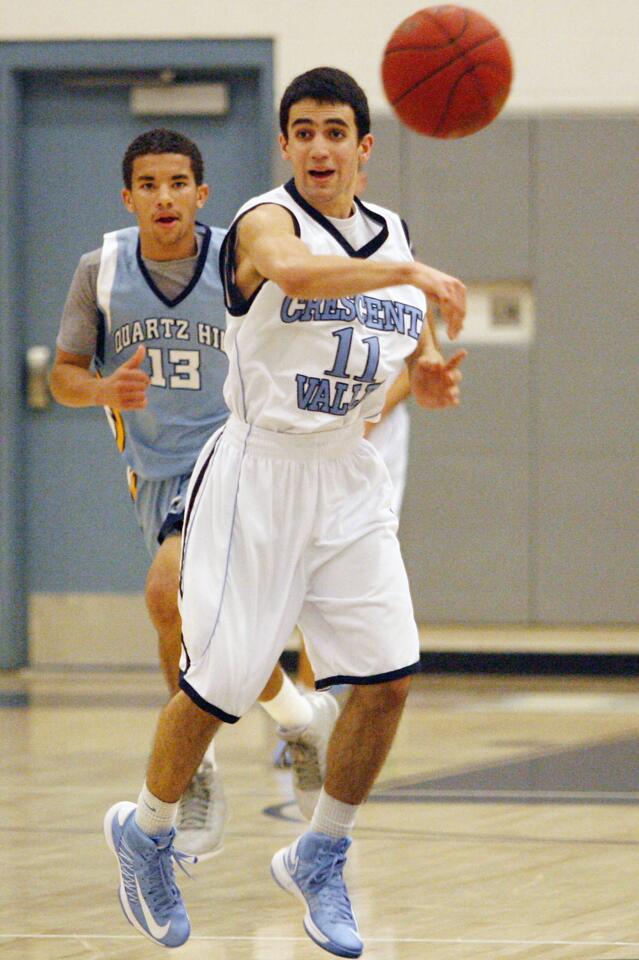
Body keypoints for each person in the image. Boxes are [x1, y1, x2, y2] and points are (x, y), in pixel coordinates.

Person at [103, 69, 466, 956]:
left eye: (335, 131)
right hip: (256, 474)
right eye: (301, 131)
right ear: (284, 145)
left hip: (345, 474)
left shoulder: (390, 235)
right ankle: (146, 830)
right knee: (223, 685)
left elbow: (398, 339)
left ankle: (320, 852)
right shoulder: (269, 223)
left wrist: (420, 372)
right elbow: (299, 279)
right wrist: (411, 268)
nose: (317, 146)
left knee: (384, 681)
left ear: (364, 148)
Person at [50, 127, 338, 859]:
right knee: (214, 634)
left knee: (164, 591)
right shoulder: (101, 269)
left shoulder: (235, 258)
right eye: (148, 184)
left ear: (201, 194)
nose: (164, 197)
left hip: (239, 455)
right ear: (128, 197)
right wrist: (101, 388)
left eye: (177, 182)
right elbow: (62, 374)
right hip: (156, 472)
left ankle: (196, 770)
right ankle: (299, 715)